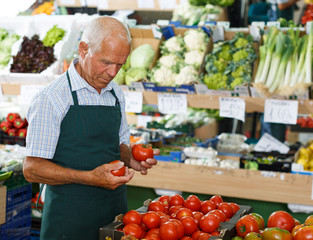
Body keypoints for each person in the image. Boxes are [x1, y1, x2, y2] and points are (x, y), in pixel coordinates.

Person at [23, 16, 158, 240]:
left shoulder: (115, 93)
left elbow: (119, 144)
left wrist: (130, 157)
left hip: (114, 213)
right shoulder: (53, 98)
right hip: (69, 220)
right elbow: (32, 168)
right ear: (83, 50)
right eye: (106, 62)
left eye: (120, 64)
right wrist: (89, 177)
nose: (113, 73)